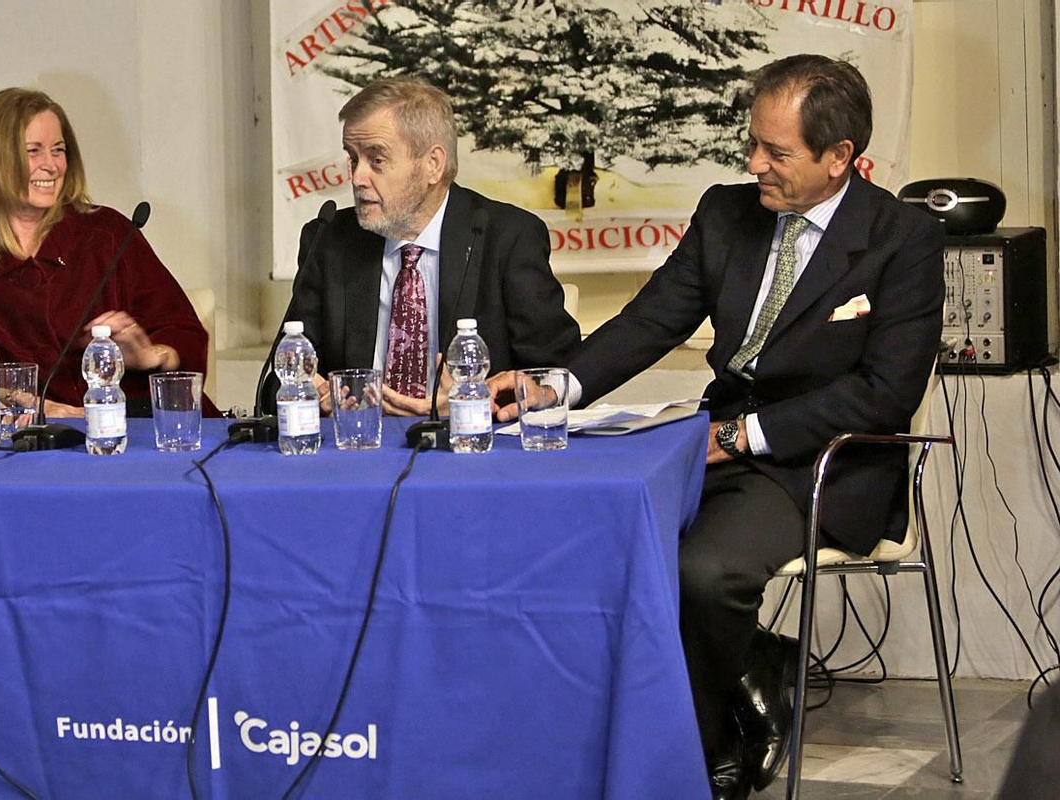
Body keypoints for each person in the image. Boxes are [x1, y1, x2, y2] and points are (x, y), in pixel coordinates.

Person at [555, 55, 944, 799]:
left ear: (840, 159)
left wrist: (741, 437)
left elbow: (884, 395)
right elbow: (651, 321)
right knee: (595, 537)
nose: (753, 163)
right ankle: (748, 664)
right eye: (752, 143)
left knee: (703, 573)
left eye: (777, 152)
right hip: (713, 445)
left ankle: (694, 755)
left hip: (821, 460)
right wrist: (555, 384)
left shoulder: (902, 239)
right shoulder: (725, 211)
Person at [271, 76, 579, 416]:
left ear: (433, 164)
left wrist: (473, 404)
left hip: (471, 450)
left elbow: (555, 376)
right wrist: (307, 391)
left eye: (377, 160)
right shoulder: (328, 240)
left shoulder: (506, 238)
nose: (357, 178)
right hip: (358, 447)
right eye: (352, 158)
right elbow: (279, 372)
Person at [0, 88, 216, 416]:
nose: (52, 166)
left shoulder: (107, 234)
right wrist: (31, 406)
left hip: (138, 429)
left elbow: (185, 334)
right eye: (33, 151)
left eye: (58, 150)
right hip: (30, 448)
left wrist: (153, 356)